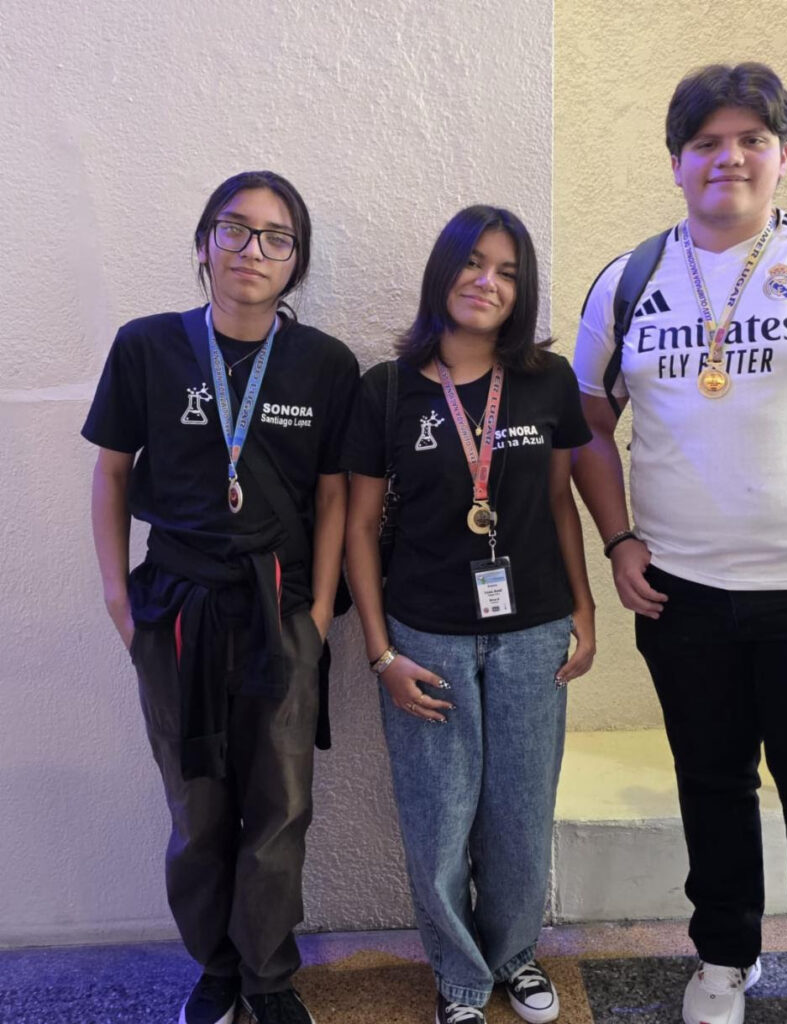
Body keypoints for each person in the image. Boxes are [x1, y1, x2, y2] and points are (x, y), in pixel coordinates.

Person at [572, 64, 787, 1024]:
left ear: (782, 154)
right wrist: (619, 540)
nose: (727, 157)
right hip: (682, 597)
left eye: (751, 140)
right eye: (706, 143)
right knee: (711, 788)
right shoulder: (629, 279)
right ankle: (724, 959)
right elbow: (588, 426)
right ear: (676, 162)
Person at [83, 170, 359, 1024]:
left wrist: (319, 614)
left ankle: (268, 977)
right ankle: (216, 968)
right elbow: (112, 473)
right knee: (197, 807)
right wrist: (118, 601)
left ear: (296, 261)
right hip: (175, 610)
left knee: (280, 806)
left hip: (281, 612)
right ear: (206, 241)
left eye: (277, 238)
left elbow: (334, 496)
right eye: (235, 229)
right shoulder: (147, 347)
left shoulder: (324, 364)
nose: (253, 251)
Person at [343, 205, 595, 1024]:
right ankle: (458, 975)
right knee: (439, 820)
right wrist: (381, 653)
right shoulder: (385, 390)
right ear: (442, 270)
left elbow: (560, 504)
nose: (488, 282)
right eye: (473, 262)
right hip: (426, 637)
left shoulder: (547, 380)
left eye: (508, 272)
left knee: (520, 813)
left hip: (533, 632)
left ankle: (513, 954)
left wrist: (585, 610)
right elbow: (357, 528)